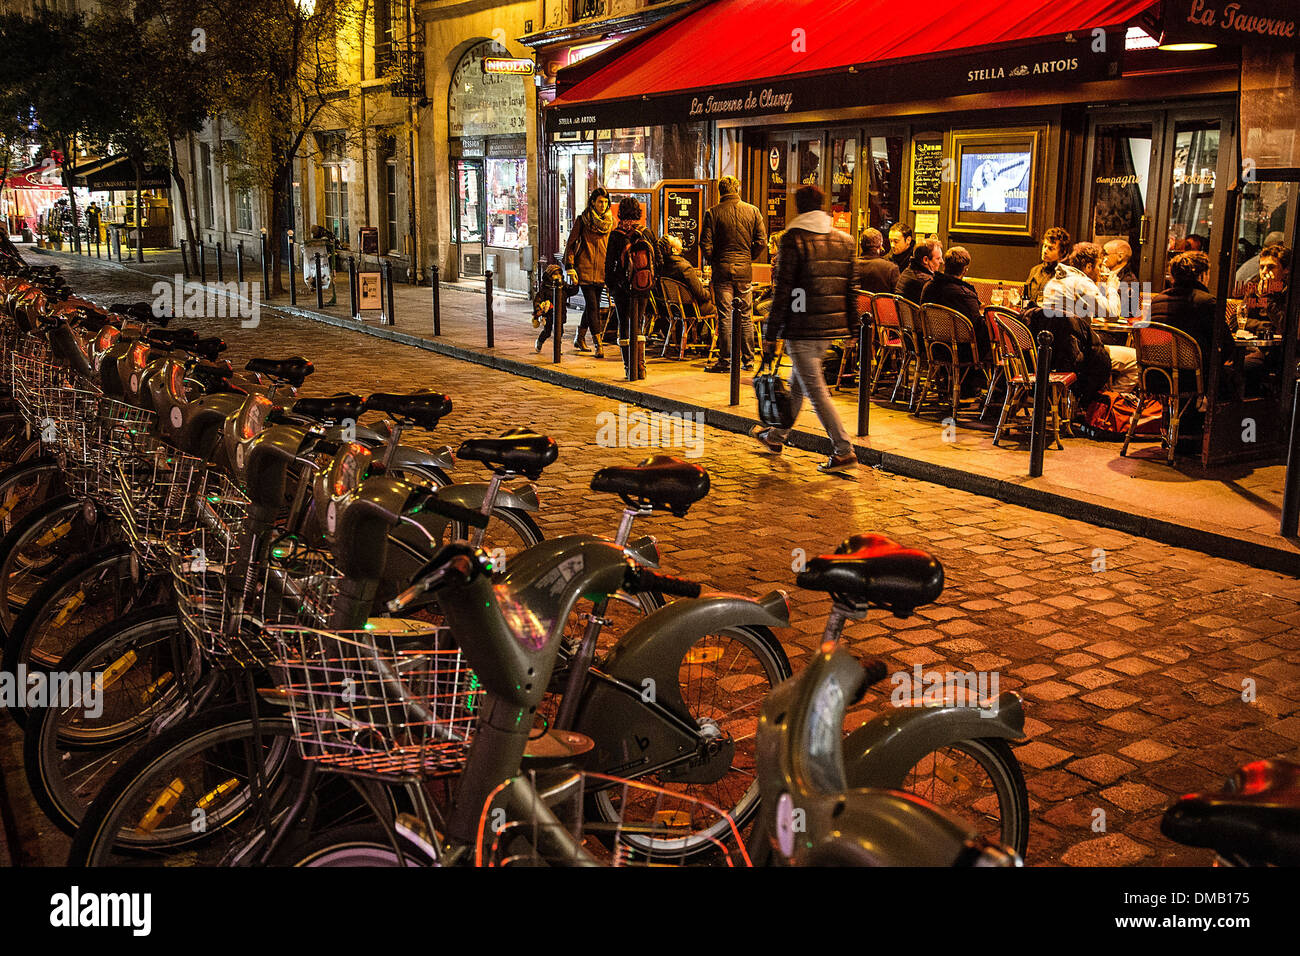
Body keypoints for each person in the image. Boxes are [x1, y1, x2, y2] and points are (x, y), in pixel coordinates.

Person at [750, 184, 859, 474]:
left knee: (816, 390)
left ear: (797, 207)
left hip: (801, 326)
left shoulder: (792, 239)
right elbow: (851, 289)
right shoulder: (845, 240)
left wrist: (771, 333)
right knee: (799, 383)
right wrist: (853, 329)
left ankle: (843, 449)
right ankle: (775, 436)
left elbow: (783, 290)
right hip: (830, 326)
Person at [1041, 242, 1138, 394]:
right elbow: (1112, 314)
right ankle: (1104, 404)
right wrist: (1112, 288)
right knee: (1135, 360)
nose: (1101, 271)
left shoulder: (1054, 282)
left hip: (1052, 354)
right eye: (1099, 266)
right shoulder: (1082, 283)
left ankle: (1087, 401)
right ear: (1088, 267)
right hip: (1078, 353)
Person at [701, 175, 766, 373]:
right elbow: (762, 241)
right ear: (738, 188)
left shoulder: (712, 213)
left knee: (725, 315)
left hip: (722, 270)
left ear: (720, 191)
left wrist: (715, 260)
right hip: (744, 269)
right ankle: (748, 360)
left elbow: (705, 244)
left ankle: (726, 360)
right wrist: (748, 257)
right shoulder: (753, 211)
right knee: (745, 315)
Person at [1148, 251, 1228, 389]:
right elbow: (1226, 345)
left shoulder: (1157, 300)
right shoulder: (1206, 302)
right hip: (1193, 379)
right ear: (1202, 275)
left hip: (1155, 374)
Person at [604, 196, 659, 382]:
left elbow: (609, 263)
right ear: (638, 212)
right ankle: (641, 368)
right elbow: (658, 260)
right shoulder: (646, 232)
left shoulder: (616, 234)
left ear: (620, 212)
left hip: (621, 288)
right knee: (639, 323)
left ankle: (629, 368)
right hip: (642, 286)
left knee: (624, 326)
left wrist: (611, 285)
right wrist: (651, 282)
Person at [563, 186, 613, 357]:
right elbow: (571, 244)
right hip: (584, 268)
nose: (603, 205)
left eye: (606, 202)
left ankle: (580, 337)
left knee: (594, 305)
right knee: (593, 305)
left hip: (601, 270)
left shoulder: (609, 222)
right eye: (600, 202)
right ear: (593, 202)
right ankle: (599, 344)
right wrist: (570, 267)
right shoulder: (583, 220)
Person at [921, 246, 991, 365]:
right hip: (963, 352)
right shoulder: (965, 295)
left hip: (935, 348)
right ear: (964, 270)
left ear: (945, 266)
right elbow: (978, 327)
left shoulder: (928, 287)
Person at [657, 235, 715, 318]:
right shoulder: (685, 268)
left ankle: (694, 330)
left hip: (673, 309)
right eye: (674, 238)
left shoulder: (663, 267)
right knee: (718, 305)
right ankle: (710, 331)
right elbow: (701, 294)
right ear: (674, 250)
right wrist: (710, 293)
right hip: (692, 309)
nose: (677, 237)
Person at [1239, 243, 1290, 335]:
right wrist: (1268, 327)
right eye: (1262, 267)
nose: (1264, 271)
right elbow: (1237, 321)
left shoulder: (1292, 289)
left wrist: (1267, 296)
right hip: (1255, 344)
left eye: (1271, 267)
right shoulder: (1255, 283)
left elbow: (1286, 327)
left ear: (1286, 269)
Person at [1023, 226, 1071, 305]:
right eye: (1045, 246)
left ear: (1062, 252)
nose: (1045, 251)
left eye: (1051, 248)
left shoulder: (1065, 275)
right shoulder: (1035, 270)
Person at [1101, 238, 1141, 318]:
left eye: (1105, 254)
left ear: (1120, 256)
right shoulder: (1105, 275)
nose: (1102, 258)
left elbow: (1125, 311)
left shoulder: (1130, 281)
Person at [895, 238, 941, 304]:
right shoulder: (924, 282)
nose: (942, 261)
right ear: (925, 260)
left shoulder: (907, 271)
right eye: (938, 258)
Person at [857, 227, 900, 295]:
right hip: (883, 305)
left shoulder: (851, 265)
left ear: (861, 245)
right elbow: (897, 298)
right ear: (880, 245)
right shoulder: (891, 268)